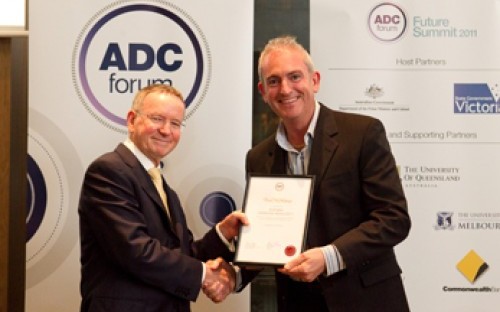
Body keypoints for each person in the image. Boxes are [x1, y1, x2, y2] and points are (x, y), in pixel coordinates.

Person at [243, 35, 411, 311]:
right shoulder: (259, 158)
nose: (285, 89)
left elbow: (393, 219)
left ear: (315, 80)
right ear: (263, 91)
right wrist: (231, 274)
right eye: (274, 81)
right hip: (299, 303)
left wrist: (328, 257)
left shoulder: (362, 133)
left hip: (366, 300)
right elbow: (266, 237)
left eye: (294, 76)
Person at [78, 84, 247, 312]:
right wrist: (205, 275)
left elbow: (183, 254)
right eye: (157, 119)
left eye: (175, 123)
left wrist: (223, 233)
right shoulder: (108, 171)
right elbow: (136, 251)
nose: (166, 130)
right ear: (131, 120)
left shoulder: (164, 188)